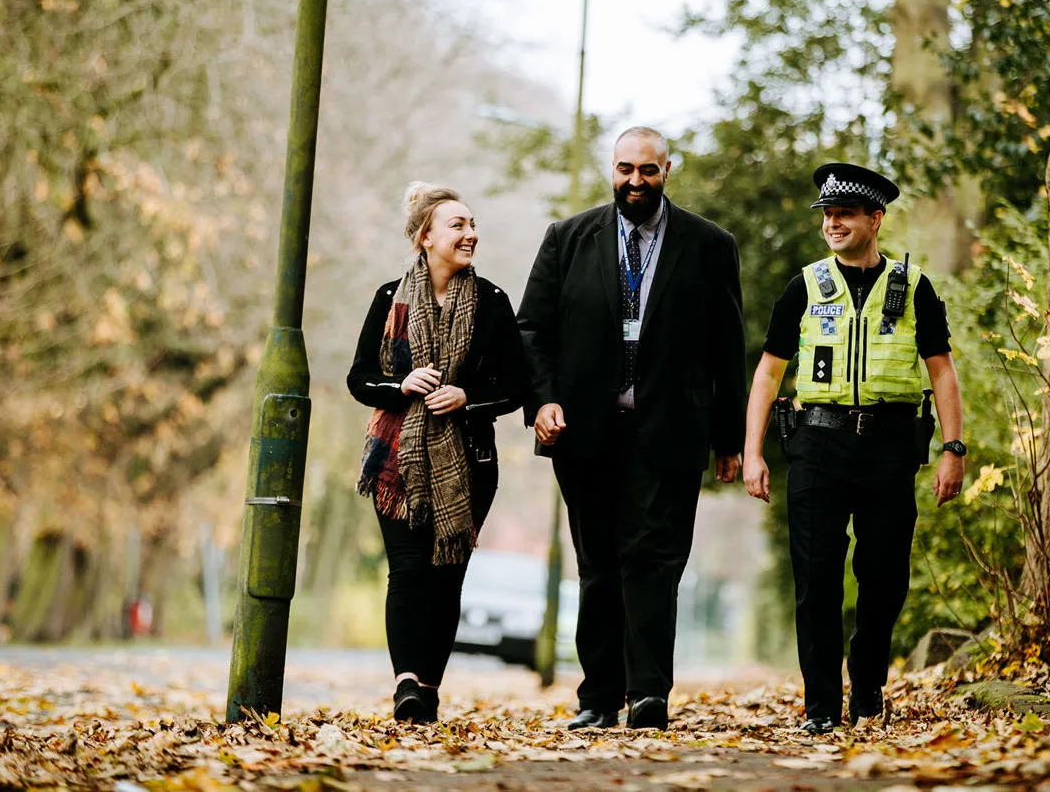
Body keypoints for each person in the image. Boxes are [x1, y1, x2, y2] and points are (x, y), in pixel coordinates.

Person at [518, 126, 747, 730]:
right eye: (625, 169)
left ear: (667, 170)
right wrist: (541, 403)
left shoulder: (709, 245)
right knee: (597, 565)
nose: (635, 182)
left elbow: (729, 348)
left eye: (647, 171)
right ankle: (598, 699)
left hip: (669, 431)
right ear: (611, 169)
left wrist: (730, 440)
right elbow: (532, 330)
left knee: (653, 560)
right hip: (584, 431)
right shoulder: (567, 239)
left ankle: (649, 695)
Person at [741, 163, 965, 734]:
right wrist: (753, 451)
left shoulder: (914, 288)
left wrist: (953, 448)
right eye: (827, 215)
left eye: (845, 214)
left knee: (885, 578)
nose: (833, 224)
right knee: (816, 578)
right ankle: (820, 706)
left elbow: (941, 371)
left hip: (890, 448)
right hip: (817, 444)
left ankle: (866, 685)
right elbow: (768, 375)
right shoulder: (806, 286)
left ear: (876, 219)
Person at [348, 182, 527, 724]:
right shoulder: (388, 298)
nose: (470, 234)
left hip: (469, 463)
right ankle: (405, 684)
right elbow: (360, 379)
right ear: (425, 237)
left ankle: (427, 686)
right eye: (458, 225)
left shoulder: (493, 302)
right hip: (395, 460)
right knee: (406, 572)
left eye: (473, 225)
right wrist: (400, 386)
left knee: (447, 574)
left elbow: (517, 385)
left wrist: (469, 398)